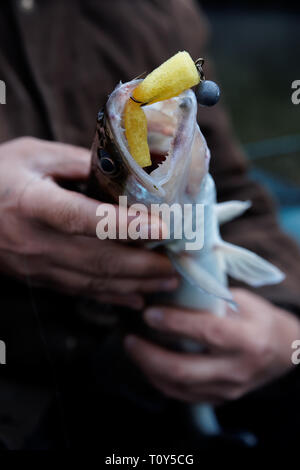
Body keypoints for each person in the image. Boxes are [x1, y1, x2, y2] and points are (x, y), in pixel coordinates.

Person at [0, 0, 300, 451]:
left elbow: (237, 187)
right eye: (110, 160)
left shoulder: (162, 8)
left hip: (164, 391)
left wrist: (285, 332)